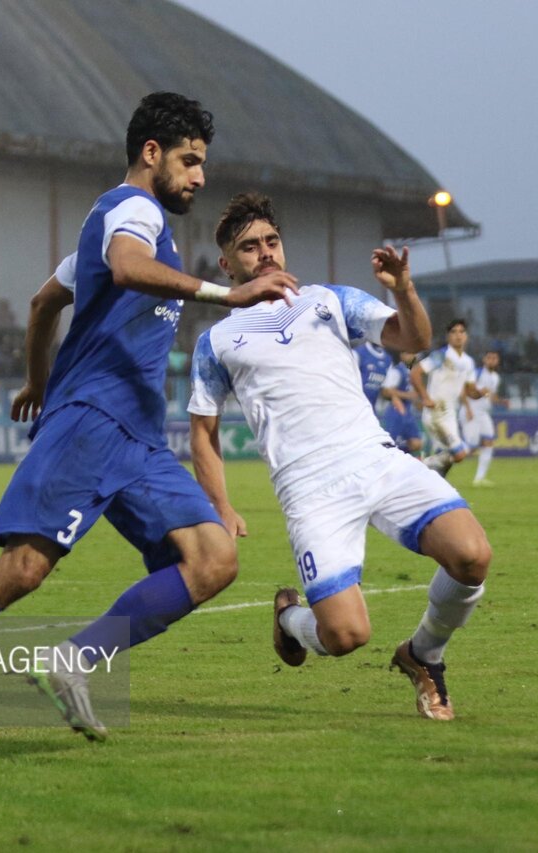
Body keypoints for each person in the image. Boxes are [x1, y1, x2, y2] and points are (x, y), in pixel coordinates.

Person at [0, 93, 299, 766]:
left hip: (134, 438)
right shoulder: (132, 212)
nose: (199, 177)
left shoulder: (120, 226)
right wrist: (227, 293)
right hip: (90, 422)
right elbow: (128, 269)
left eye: (203, 164)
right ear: (151, 154)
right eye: (190, 161)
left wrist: (37, 379)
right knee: (20, 571)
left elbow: (48, 300)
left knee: (214, 558)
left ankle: (72, 660)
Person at [188, 192, 491, 721]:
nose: (264, 253)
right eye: (249, 247)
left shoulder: (330, 301)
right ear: (227, 264)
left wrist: (404, 289)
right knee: (346, 635)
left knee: (472, 555)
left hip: (375, 457)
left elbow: (413, 337)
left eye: (271, 241)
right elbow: (203, 431)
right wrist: (221, 506)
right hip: (309, 492)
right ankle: (289, 621)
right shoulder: (217, 341)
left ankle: (424, 655)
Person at [411, 319, 485, 478]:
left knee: (444, 461)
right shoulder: (441, 356)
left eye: (461, 332)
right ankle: (417, 465)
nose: (458, 335)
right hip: (436, 414)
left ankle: (433, 488)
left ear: (466, 336)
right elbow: (415, 372)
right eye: (454, 332)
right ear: (448, 337)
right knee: (460, 453)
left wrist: (480, 393)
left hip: (451, 414)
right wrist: (425, 398)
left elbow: (470, 391)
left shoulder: (468, 362)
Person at [459, 349, 506, 486]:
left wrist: (501, 401)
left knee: (488, 442)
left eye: (494, 358)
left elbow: (490, 395)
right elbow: (463, 390)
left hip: (483, 414)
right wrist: (467, 409)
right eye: (489, 358)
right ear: (484, 360)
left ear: (497, 361)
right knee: (470, 448)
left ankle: (479, 479)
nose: (492, 360)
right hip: (471, 412)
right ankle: (441, 456)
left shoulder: (496, 377)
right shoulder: (477, 373)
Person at [380, 351, 424, 456]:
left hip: (408, 412)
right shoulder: (396, 371)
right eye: (409, 353)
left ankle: (399, 455)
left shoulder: (411, 371)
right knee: (390, 443)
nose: (413, 356)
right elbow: (386, 391)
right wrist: (408, 395)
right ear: (402, 355)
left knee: (416, 443)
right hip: (395, 411)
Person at [355, 340, 393, 412]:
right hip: (354, 409)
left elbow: (386, 390)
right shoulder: (357, 354)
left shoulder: (388, 360)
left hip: (371, 411)